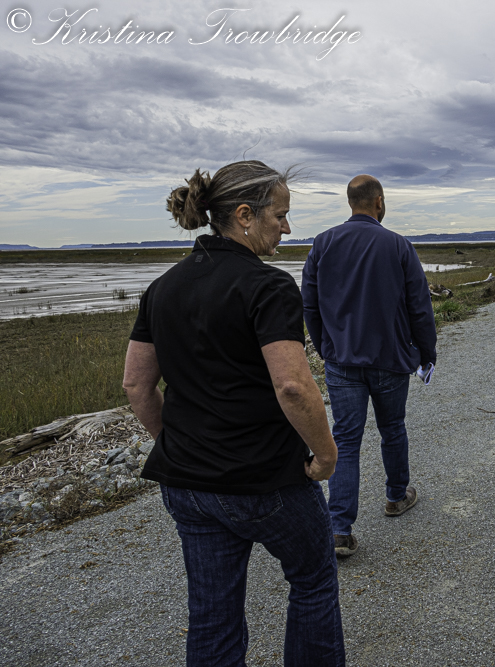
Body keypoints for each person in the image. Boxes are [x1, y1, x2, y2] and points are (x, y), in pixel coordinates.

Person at [122, 160, 346, 667]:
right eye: (280, 215)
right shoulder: (268, 286)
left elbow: (136, 384)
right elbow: (293, 385)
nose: (286, 227)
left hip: (187, 484)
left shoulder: (164, 287)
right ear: (245, 215)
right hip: (264, 480)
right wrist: (326, 454)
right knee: (312, 581)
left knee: (212, 613)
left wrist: (176, 444)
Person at [302, 174, 436, 558]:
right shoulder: (398, 245)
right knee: (392, 428)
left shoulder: (323, 243)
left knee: (345, 440)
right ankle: (396, 496)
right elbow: (419, 307)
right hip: (390, 359)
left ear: (350, 202)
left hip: (341, 359)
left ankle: (339, 530)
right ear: (378, 202)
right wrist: (427, 353)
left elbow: (309, 302)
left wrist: (325, 346)